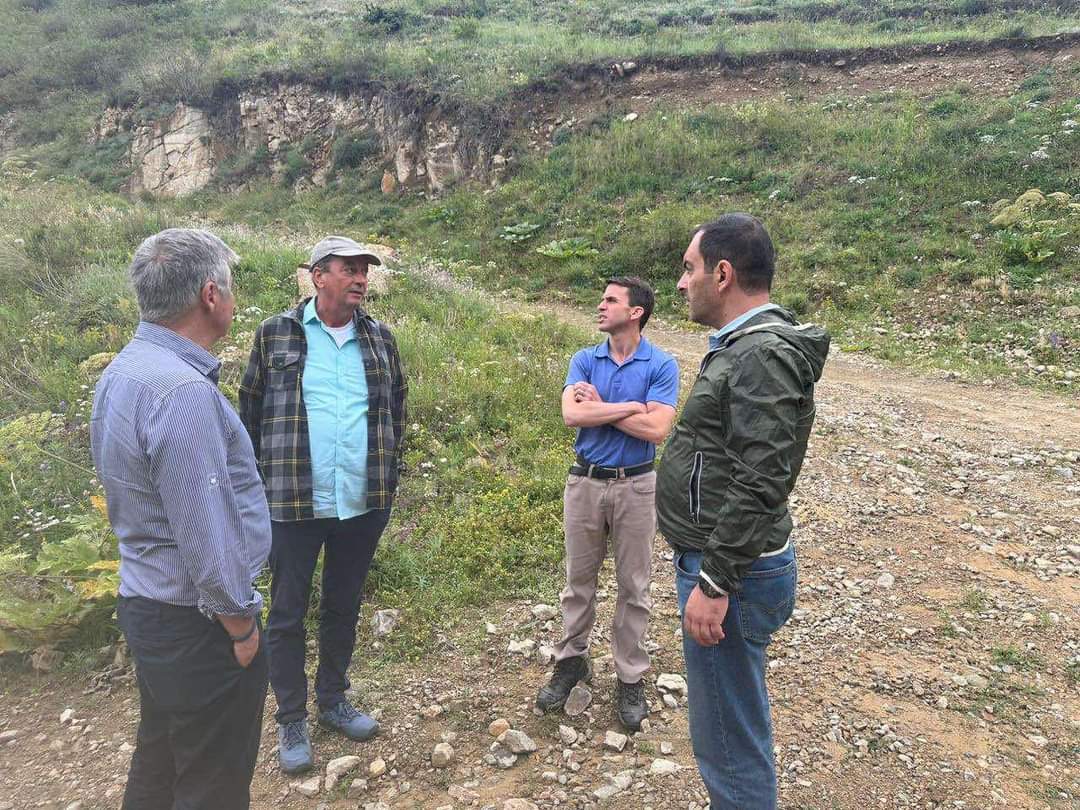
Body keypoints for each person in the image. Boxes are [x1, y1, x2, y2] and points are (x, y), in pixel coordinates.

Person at [90, 228, 271, 810]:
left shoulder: (125, 370)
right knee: (212, 782)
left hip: (148, 605)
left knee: (162, 760)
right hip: (198, 624)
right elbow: (205, 532)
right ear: (210, 295)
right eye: (231, 287)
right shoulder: (181, 390)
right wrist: (240, 626)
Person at [656, 213, 830, 809]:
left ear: (723, 274)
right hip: (727, 561)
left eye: (690, 269)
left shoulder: (760, 354)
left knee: (728, 740)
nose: (682, 283)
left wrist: (714, 580)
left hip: (732, 569)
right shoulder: (745, 346)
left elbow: (762, 480)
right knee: (728, 724)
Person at [239, 236, 407, 775]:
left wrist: (388, 471)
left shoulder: (379, 338)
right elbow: (250, 410)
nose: (360, 278)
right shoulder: (275, 333)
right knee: (287, 611)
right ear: (318, 276)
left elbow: (396, 408)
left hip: (362, 500)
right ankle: (291, 717)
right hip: (292, 502)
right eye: (349, 269)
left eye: (364, 270)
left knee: (343, 604)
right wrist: (258, 484)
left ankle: (333, 700)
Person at [536, 276, 679, 732]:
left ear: (636, 312)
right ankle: (571, 662)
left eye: (610, 300)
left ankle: (630, 676)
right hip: (585, 482)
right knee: (577, 582)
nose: (600, 306)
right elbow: (572, 414)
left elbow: (658, 430)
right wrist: (633, 407)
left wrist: (605, 407)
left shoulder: (662, 364)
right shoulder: (584, 359)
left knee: (634, 586)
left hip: (637, 485)